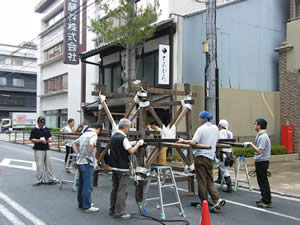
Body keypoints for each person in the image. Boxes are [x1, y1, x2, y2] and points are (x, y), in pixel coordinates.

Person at [177, 111, 225, 213]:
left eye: (199, 118)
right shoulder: (215, 128)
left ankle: (204, 201)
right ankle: (217, 199)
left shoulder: (201, 129)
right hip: (210, 158)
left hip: (200, 157)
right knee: (209, 180)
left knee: (202, 181)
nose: (198, 120)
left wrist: (183, 141)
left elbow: (194, 142)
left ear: (203, 119)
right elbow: (216, 142)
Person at [109, 118, 144, 220]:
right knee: (122, 190)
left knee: (115, 188)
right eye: (128, 127)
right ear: (125, 127)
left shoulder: (114, 136)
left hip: (114, 166)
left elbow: (124, 145)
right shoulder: (123, 138)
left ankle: (112, 209)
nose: (129, 129)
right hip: (122, 168)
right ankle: (119, 212)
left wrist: (133, 142)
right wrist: (138, 144)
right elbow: (131, 151)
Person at [72, 123, 102, 212]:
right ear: (98, 129)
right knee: (87, 186)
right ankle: (87, 206)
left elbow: (73, 143)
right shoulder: (94, 135)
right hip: (87, 163)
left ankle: (81, 203)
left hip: (80, 162)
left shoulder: (84, 134)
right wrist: (89, 155)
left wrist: (78, 154)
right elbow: (92, 144)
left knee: (81, 184)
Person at [245, 118, 272, 208]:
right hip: (260, 161)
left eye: (255, 124)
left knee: (263, 181)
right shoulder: (260, 135)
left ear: (259, 126)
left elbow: (260, 150)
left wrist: (251, 144)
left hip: (262, 161)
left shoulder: (263, 137)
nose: (254, 126)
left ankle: (267, 201)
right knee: (261, 181)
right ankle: (264, 198)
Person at [29, 116, 58, 186]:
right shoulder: (34, 130)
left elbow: (49, 136)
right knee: (39, 165)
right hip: (38, 149)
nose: (42, 125)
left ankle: (51, 179)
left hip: (46, 148)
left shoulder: (46, 129)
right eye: (40, 124)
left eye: (43, 124)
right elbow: (32, 139)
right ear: (38, 123)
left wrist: (50, 139)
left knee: (49, 164)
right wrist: (40, 140)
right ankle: (39, 179)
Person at [216, 119, 234, 192]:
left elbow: (219, 143)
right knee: (224, 168)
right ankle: (220, 179)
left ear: (220, 125)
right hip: (229, 153)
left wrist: (218, 152)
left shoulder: (220, 132)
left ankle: (229, 186)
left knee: (224, 169)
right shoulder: (230, 132)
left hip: (223, 152)